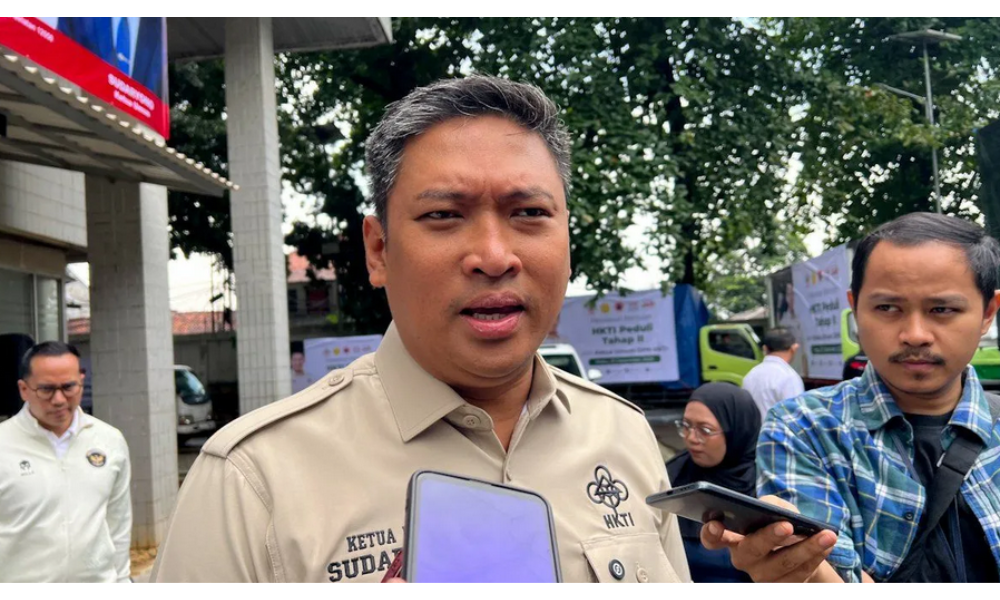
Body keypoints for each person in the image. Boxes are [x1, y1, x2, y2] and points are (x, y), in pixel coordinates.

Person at [151, 76, 690, 583]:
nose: (494, 257)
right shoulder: (253, 481)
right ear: (378, 250)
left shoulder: (623, 435)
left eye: (528, 212)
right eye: (444, 215)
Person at [702, 212, 1000, 583]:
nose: (915, 334)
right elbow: (830, 574)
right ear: (855, 308)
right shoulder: (804, 428)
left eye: (942, 309)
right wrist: (807, 573)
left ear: (987, 313)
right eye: (887, 308)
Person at [0, 341, 132, 582]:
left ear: (81, 381)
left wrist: (122, 582)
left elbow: (119, 523)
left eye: (69, 387)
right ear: (23, 389)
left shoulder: (109, 441)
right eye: (46, 389)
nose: (59, 399)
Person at [666, 383, 759, 583]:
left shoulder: (767, 483)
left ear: (737, 431)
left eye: (705, 430)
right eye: (686, 426)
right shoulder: (671, 477)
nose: (692, 438)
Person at [741, 328, 804, 420]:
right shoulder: (789, 377)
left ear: (765, 349)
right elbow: (795, 417)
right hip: (777, 429)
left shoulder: (750, 375)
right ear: (794, 348)